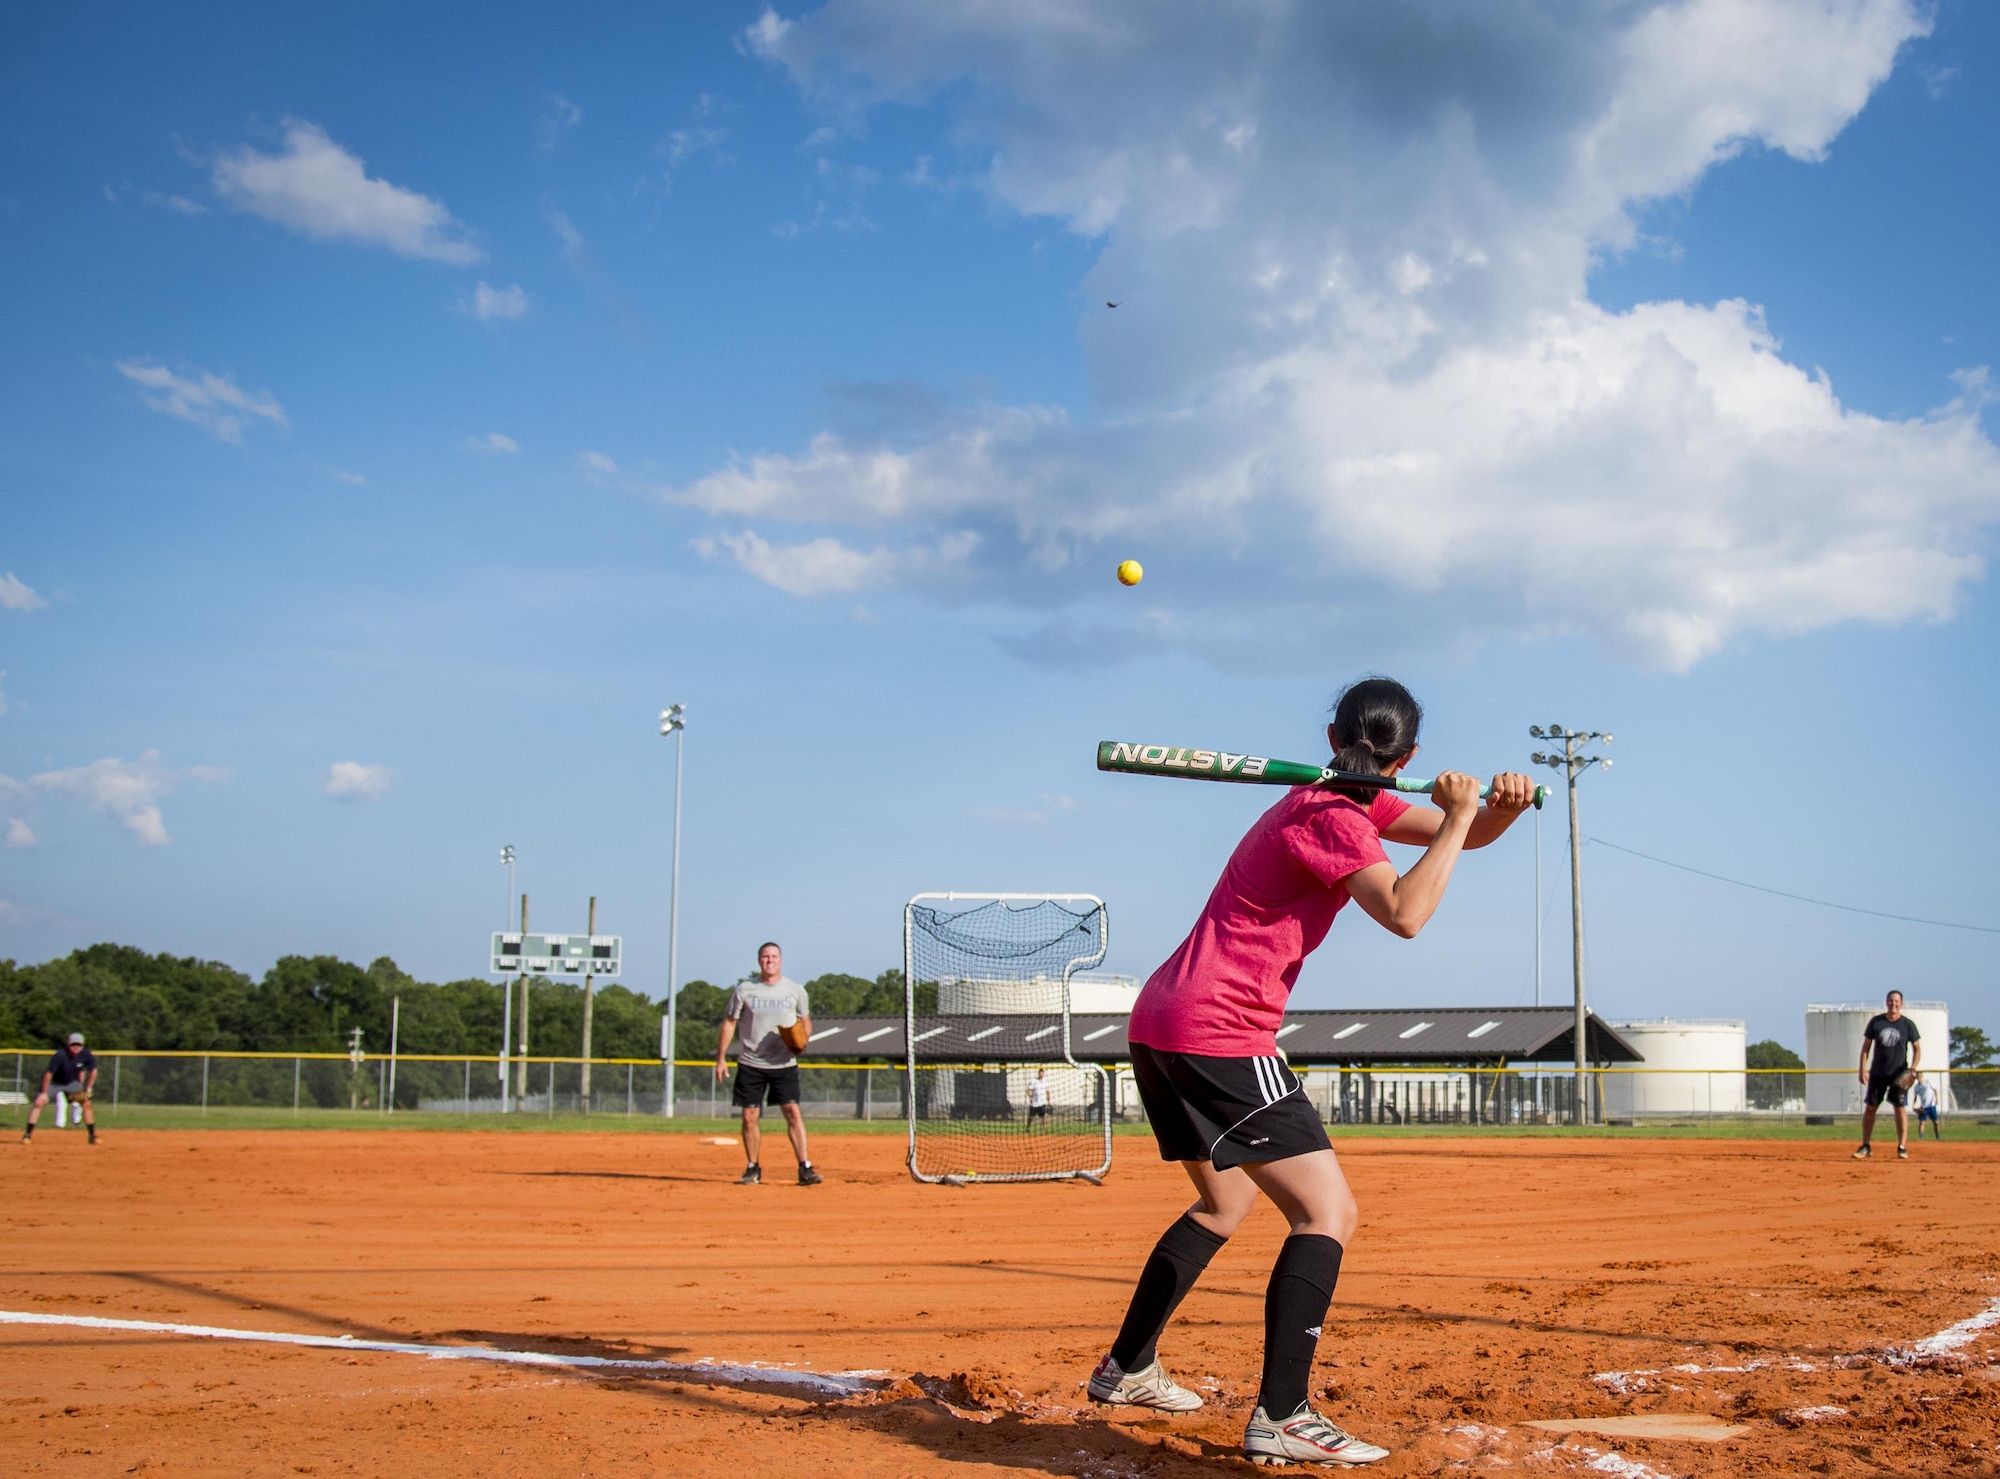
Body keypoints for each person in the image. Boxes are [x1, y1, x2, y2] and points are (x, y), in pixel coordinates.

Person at [1086, 677, 1535, 1467]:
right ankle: (1285, 1413)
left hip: (1165, 1019)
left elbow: (1470, 838)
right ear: (1412, 755)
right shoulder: (1328, 814)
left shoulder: (1360, 802)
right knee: (1327, 1210)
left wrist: (1497, 805)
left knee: (1222, 1204)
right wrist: (1462, 814)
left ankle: (1127, 1367)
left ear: (1333, 738)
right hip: (1218, 1029)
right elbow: (1405, 912)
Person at [715, 942, 821, 1186]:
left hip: (784, 1063)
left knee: (792, 1112)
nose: (769, 960)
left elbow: (805, 1021)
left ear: (781, 960)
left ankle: (805, 1168)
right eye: (765, 956)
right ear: (758, 960)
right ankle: (753, 1168)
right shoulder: (745, 989)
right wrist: (721, 1058)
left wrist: (802, 1042)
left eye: (773, 956)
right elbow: (730, 1022)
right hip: (751, 1061)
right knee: (749, 1116)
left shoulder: (795, 989)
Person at [1854, 989, 1921, 1161]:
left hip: (1899, 1073)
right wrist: (1862, 1069)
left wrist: (1912, 1069)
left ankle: (1902, 1146)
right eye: (1891, 1001)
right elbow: (1865, 1048)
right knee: (1870, 1107)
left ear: (1901, 1004)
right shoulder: (1877, 1022)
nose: (1893, 1004)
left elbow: (1917, 1049)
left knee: (1899, 1108)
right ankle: (1866, 1145)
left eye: (1897, 1001)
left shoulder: (1907, 1025)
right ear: (1886, 1002)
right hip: (1878, 1072)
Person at [22, 1033, 99, 1145]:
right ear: (68, 1045)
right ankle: (27, 1135)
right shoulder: (60, 1055)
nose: (76, 1047)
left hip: (72, 1084)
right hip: (54, 1083)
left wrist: (88, 1088)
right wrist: (44, 1093)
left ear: (82, 1046)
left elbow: (93, 1071)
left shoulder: (86, 1055)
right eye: (73, 1044)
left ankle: (92, 1136)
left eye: (78, 1045)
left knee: (86, 1104)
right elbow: (48, 1074)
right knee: (39, 1103)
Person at [1908, 1070, 1942, 1141]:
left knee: (1936, 1122)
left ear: (1922, 1076)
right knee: (1922, 1122)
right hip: (1923, 1107)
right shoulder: (1917, 1087)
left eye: (1920, 1075)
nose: (1919, 1077)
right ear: (1916, 1077)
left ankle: (1938, 1137)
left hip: (1931, 1105)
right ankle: (1921, 1138)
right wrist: (1913, 1105)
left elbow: (1935, 1090)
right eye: (1918, 1076)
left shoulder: (1927, 1082)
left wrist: (1936, 1099)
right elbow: (1915, 1097)